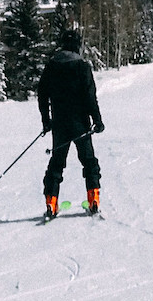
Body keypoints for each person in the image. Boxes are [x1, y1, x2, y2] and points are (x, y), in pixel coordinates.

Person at [37, 27, 104, 219]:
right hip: (81, 123)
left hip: (59, 124)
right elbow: (90, 96)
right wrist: (97, 120)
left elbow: (42, 94)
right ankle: (93, 199)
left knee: (57, 164)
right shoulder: (82, 66)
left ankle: (51, 202)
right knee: (89, 161)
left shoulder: (52, 66)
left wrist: (46, 120)